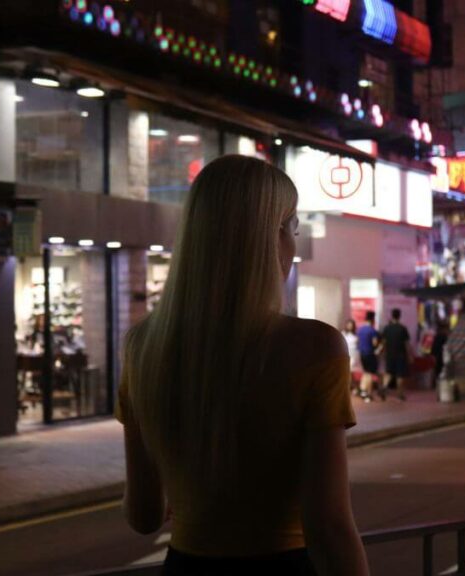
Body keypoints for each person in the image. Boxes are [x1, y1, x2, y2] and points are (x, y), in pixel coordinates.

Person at [116, 156, 368, 576]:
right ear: (271, 238)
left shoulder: (144, 348)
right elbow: (328, 527)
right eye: (294, 231)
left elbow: (143, 516)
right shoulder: (316, 347)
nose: (294, 246)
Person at [381, 309, 412, 401]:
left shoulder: (387, 328)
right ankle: (400, 394)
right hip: (400, 355)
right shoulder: (403, 328)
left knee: (389, 372)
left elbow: (384, 343)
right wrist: (409, 355)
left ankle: (384, 387)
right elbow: (406, 344)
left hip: (389, 354)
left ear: (392, 315)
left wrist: (383, 353)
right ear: (399, 316)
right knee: (400, 375)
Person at [357, 311, 382, 402]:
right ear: (373, 319)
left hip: (362, 353)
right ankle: (369, 394)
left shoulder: (360, 329)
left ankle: (363, 391)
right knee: (371, 374)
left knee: (366, 372)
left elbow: (358, 341)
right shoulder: (372, 330)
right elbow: (374, 343)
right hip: (370, 354)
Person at [342, 319, 362, 396]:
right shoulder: (343, 334)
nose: (350, 326)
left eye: (352, 325)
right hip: (346, 354)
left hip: (354, 354)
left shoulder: (356, 335)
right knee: (350, 372)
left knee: (350, 371)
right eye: (349, 324)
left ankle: (352, 387)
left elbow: (358, 345)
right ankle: (355, 387)